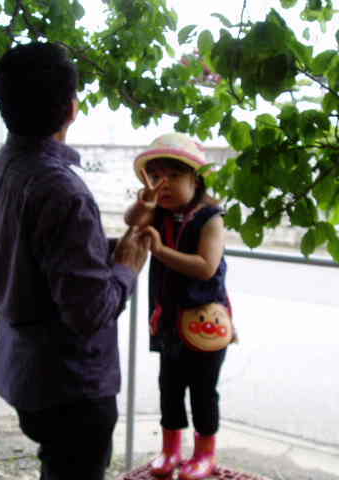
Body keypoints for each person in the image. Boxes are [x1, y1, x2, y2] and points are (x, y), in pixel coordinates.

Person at [0, 42, 150, 480]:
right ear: (72, 108)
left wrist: (105, 247)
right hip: (72, 389)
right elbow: (89, 311)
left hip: (25, 374)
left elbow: (40, 257)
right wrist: (127, 267)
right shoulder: (62, 191)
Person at [124, 132, 233, 480]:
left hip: (204, 323)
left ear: (195, 179)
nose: (164, 184)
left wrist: (160, 251)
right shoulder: (159, 213)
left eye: (173, 175)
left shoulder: (211, 218)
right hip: (169, 319)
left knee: (203, 391)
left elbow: (206, 267)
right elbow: (132, 221)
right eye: (155, 176)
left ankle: (204, 455)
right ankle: (170, 451)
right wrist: (145, 203)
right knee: (169, 388)